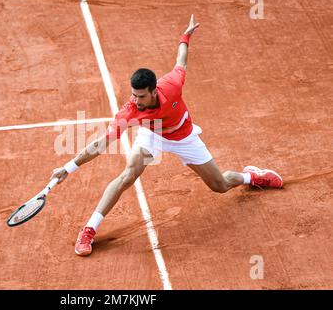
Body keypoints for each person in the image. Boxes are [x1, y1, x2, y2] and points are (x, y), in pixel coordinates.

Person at [50, 14, 283, 256]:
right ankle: (89, 229)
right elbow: (101, 143)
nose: (136, 100)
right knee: (128, 175)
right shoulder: (130, 111)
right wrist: (68, 167)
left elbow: (181, 61)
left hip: (184, 137)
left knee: (220, 185)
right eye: (133, 95)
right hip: (153, 136)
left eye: (141, 96)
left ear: (153, 91)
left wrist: (186, 36)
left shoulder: (172, 85)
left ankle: (251, 177)